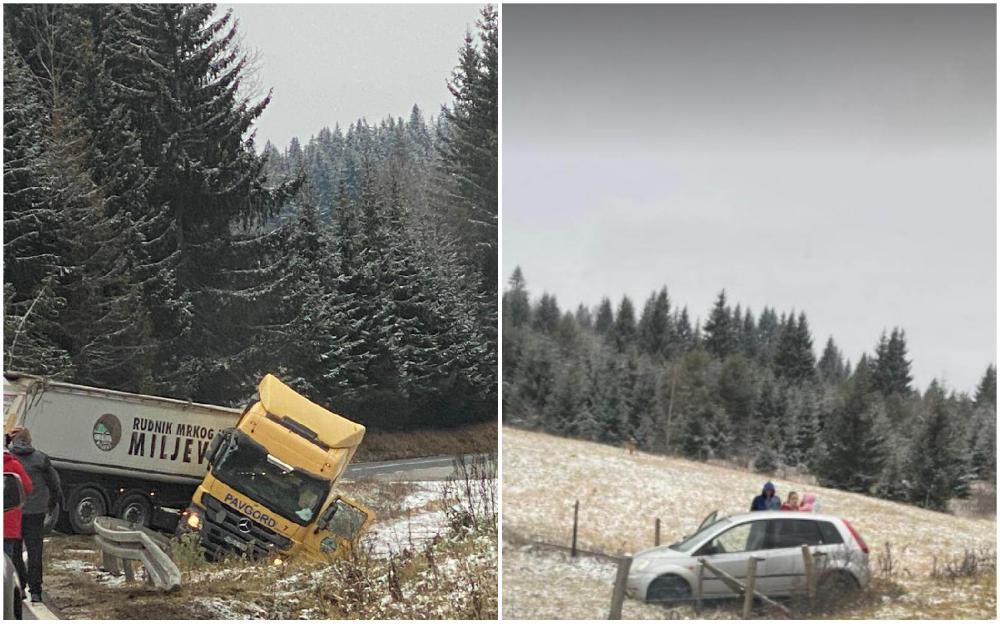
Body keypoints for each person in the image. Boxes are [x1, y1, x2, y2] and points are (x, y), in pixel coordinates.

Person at [8, 428, 62, 603]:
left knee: (15, 551)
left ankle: (20, 586)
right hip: (36, 511)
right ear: (30, 440)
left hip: (14, 510)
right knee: (34, 550)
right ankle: (36, 591)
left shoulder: (9, 458)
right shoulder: (41, 459)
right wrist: (51, 504)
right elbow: (54, 484)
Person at [4, 448, 33, 597]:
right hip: (8, 522)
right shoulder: (14, 466)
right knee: (7, 562)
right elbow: (27, 487)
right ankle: (10, 593)